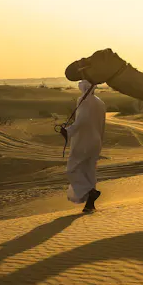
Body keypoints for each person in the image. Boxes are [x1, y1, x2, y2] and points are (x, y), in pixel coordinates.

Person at [60, 79, 106, 212]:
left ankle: (90, 191)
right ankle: (90, 204)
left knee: (72, 169)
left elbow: (82, 121)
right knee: (89, 170)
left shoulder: (83, 100)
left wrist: (68, 131)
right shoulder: (100, 102)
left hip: (83, 140)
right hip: (95, 141)